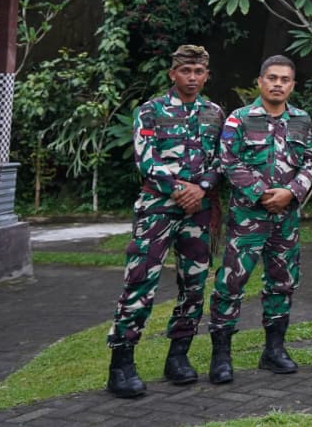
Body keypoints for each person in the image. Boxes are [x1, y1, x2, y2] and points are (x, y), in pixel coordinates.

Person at [105, 45, 225, 398]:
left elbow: (222, 160)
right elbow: (145, 160)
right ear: (173, 73)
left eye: (198, 72)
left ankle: (178, 357)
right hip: (156, 207)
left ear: (206, 75)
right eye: (185, 70)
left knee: (194, 283)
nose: (192, 77)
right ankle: (122, 364)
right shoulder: (150, 111)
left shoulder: (216, 114)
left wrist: (201, 188)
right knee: (140, 281)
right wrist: (179, 189)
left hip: (198, 211)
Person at [207, 55, 312, 385]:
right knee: (231, 284)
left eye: (284, 79)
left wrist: (291, 192)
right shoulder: (239, 119)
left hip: (286, 218)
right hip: (248, 218)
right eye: (272, 78)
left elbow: (311, 161)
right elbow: (229, 160)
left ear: (292, 85)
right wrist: (262, 193)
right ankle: (221, 356)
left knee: (283, 283)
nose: (277, 84)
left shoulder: (301, 120)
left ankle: (274, 350)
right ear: (260, 82)